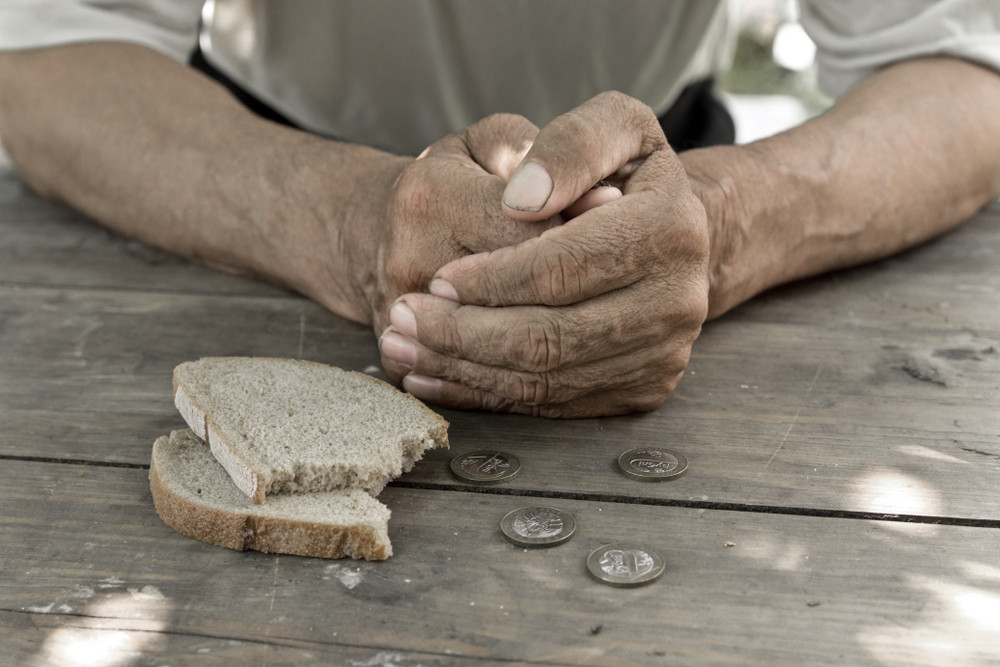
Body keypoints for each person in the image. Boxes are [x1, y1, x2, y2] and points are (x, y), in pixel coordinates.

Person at [1, 1, 999, 418]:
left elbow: (961, 62)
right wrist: (349, 216)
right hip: (245, 167)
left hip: (671, 166)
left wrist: (718, 218)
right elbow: (52, 48)